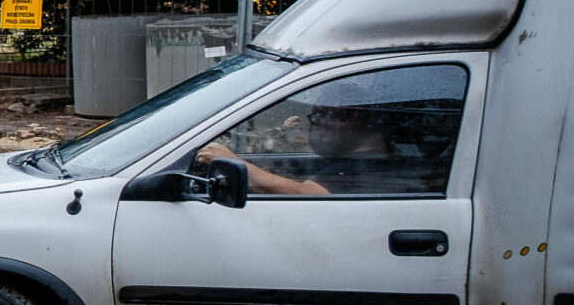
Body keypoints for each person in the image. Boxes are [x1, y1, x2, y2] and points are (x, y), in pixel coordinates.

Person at [196, 67, 464, 195]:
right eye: (316, 115)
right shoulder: (363, 162)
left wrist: (236, 163)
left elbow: (308, 196)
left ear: (356, 117)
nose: (316, 123)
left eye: (325, 115)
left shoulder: (366, 168)